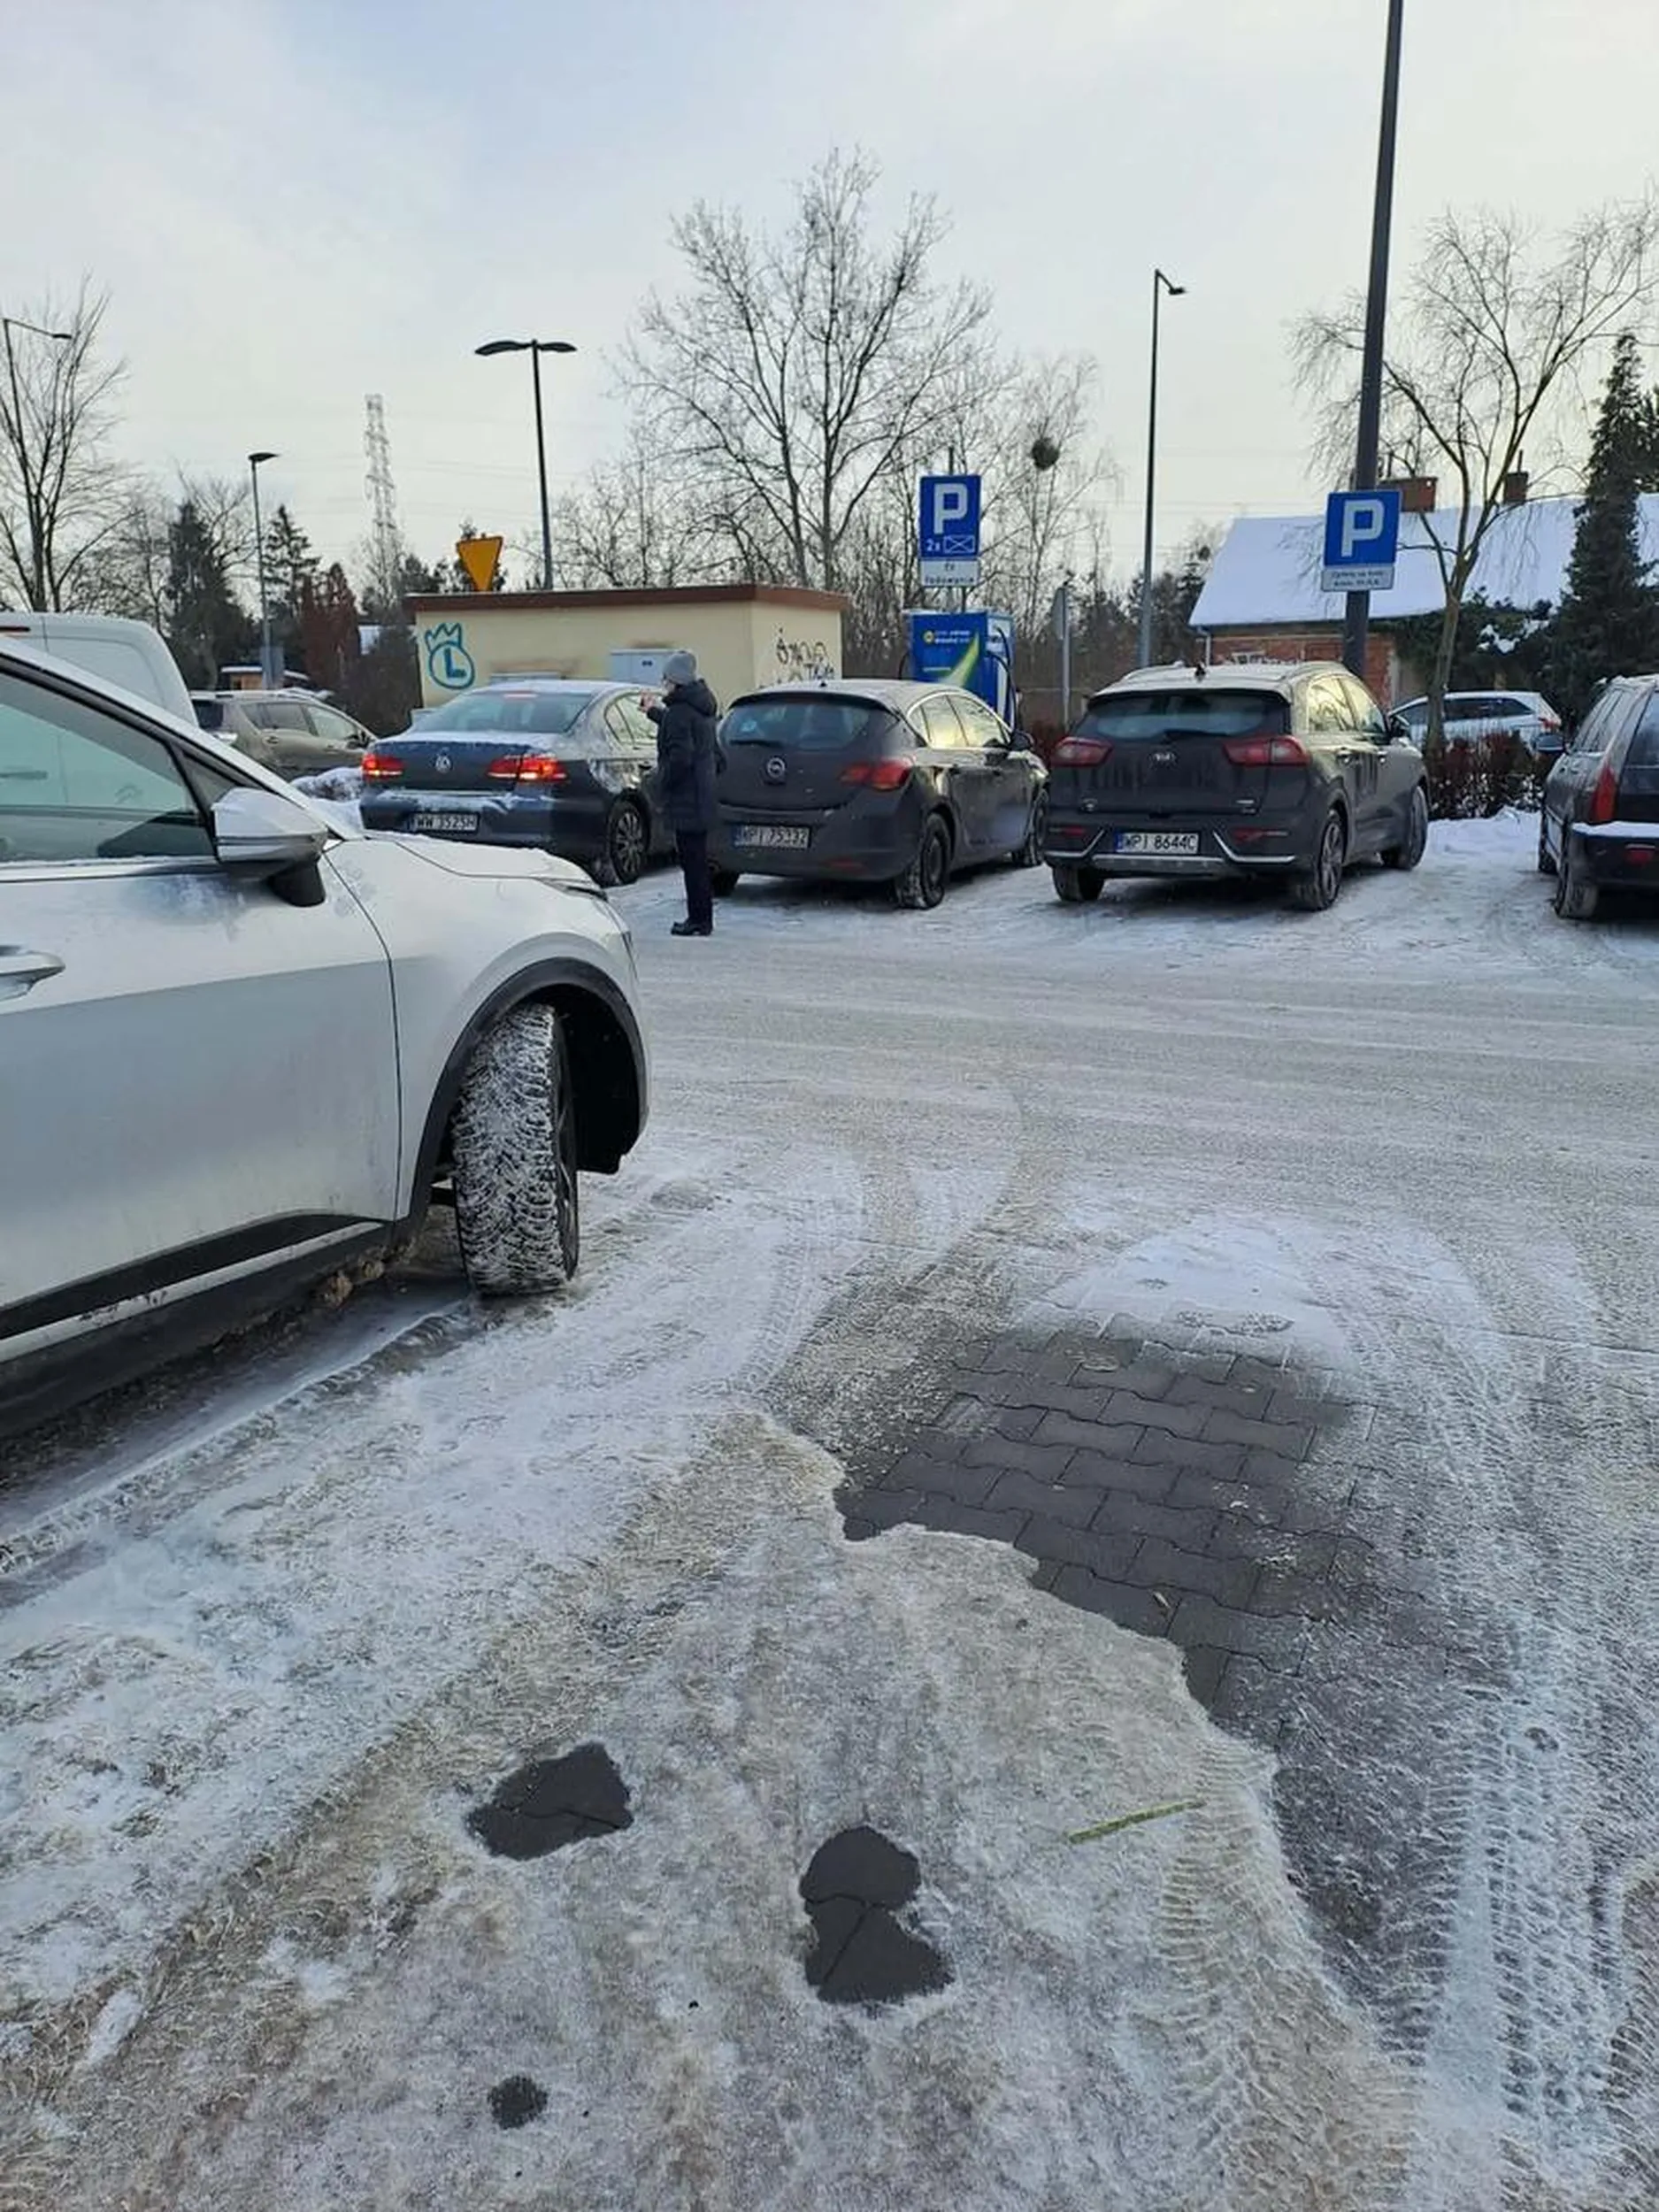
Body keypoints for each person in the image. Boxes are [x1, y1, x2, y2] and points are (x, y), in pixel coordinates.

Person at [645, 651, 721, 938]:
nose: (663, 683)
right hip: (703, 792)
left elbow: (680, 755)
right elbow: (686, 731)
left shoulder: (679, 712)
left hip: (687, 795)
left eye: (666, 678)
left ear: (675, 680)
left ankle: (698, 920)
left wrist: (661, 783)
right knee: (698, 860)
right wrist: (653, 712)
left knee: (692, 863)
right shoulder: (701, 708)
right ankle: (703, 918)